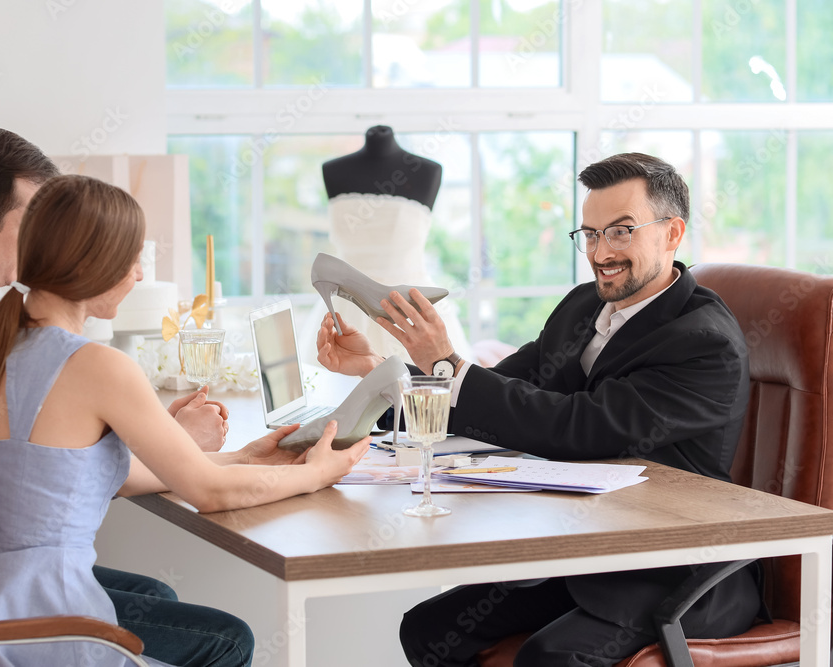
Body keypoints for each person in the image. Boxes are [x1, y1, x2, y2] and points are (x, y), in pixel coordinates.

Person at [315, 152, 765, 666]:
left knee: (550, 657)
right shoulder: (582, 306)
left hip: (673, 571)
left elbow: (579, 426)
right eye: (590, 234)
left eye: (621, 231)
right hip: (585, 551)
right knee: (429, 628)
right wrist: (377, 368)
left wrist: (446, 363)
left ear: (672, 233)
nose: (601, 252)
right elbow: (489, 395)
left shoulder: (704, 342)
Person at [0, 174, 370, 667]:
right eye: (131, 259)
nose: (138, 274)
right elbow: (211, 495)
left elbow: (80, 478)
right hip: (39, 629)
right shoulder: (95, 366)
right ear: (92, 264)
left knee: (158, 596)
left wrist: (242, 456)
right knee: (228, 640)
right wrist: (317, 474)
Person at [0, 126, 250, 666]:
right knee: (222, 639)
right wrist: (178, 441)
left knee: (158, 597)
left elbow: (51, 444)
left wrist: (178, 441)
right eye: (35, 220)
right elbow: (52, 458)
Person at [302, 125, 470, 366]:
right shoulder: (332, 170)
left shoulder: (428, 171)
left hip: (409, 307)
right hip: (344, 305)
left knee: (429, 393)